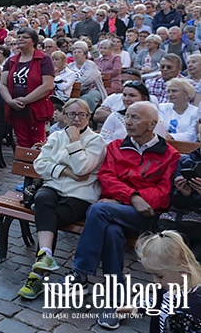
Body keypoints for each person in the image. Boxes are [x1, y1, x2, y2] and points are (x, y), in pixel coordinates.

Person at [65, 101, 180, 330]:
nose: (127, 122)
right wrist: (132, 197)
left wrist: (132, 198)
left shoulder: (169, 155)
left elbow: (163, 195)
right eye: (127, 116)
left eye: (135, 118)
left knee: (98, 210)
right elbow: (107, 179)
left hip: (147, 218)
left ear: (152, 125)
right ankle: (116, 302)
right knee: (111, 231)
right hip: (116, 213)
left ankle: (80, 272)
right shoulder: (117, 146)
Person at [17, 99, 106, 300]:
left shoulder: (96, 141)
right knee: (42, 199)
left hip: (80, 195)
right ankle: (45, 255)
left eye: (81, 114)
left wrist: (75, 142)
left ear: (88, 117)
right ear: (64, 116)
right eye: (71, 114)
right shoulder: (56, 136)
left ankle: (37, 274)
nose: (76, 119)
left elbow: (83, 169)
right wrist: (65, 170)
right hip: (53, 187)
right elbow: (40, 165)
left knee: (50, 217)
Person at [135, 231, 201, 332]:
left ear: (182, 271)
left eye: (160, 276)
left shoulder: (188, 311)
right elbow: (157, 301)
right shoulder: (169, 287)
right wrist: (137, 308)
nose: (155, 281)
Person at [0, 28, 54, 148]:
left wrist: (25, 100)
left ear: (34, 41)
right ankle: (25, 166)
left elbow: (47, 85)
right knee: (22, 143)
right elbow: (3, 84)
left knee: (38, 144)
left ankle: (38, 167)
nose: (20, 39)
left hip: (36, 109)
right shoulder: (11, 60)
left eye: (25, 37)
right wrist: (9, 101)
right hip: (16, 109)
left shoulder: (44, 59)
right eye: (18, 37)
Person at [99, 81, 166, 145]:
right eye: (124, 95)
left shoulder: (156, 120)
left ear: (144, 98)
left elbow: (159, 143)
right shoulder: (114, 116)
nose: (126, 99)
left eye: (132, 95)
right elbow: (103, 140)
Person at [69, 41, 107, 112]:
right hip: (73, 90)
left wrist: (71, 85)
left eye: (79, 52)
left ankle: (83, 115)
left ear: (85, 54)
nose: (76, 54)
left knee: (85, 99)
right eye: (74, 52)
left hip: (92, 89)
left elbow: (86, 80)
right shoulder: (70, 66)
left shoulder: (90, 65)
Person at [159, 78, 200, 142]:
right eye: (168, 91)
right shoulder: (162, 108)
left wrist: (171, 137)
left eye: (174, 91)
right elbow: (159, 128)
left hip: (186, 148)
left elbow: (191, 135)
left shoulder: (195, 112)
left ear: (186, 94)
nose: (170, 94)